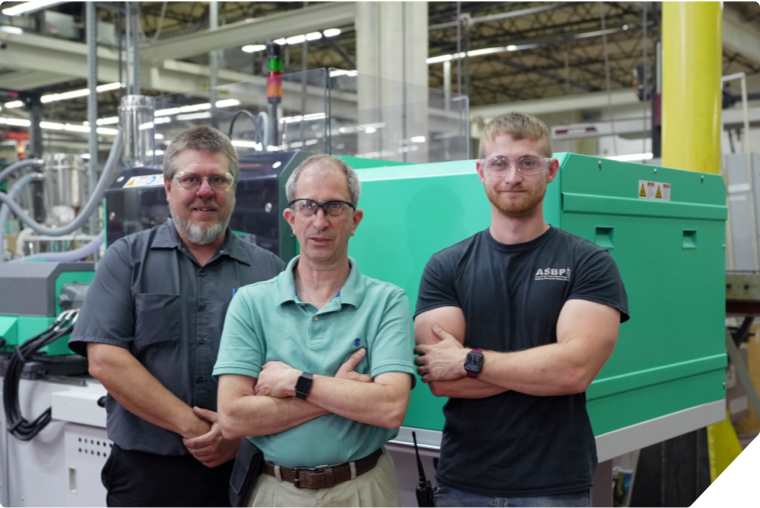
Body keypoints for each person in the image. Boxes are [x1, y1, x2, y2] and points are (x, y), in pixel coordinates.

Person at [413, 112, 629, 507]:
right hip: (465, 481)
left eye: (527, 162)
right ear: (481, 171)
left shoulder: (588, 262)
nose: (512, 176)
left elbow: (574, 371)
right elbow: (442, 380)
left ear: (550, 171)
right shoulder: (446, 266)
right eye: (499, 162)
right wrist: (542, 369)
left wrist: (470, 360)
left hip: (555, 483)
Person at [69, 126, 285, 508]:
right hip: (147, 474)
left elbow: (287, 363)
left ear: (234, 189)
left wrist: (239, 434)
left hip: (245, 470)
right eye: (191, 179)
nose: (206, 191)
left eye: (218, 179)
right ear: (168, 188)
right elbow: (105, 360)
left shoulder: (269, 270)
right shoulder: (126, 259)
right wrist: (197, 428)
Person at [214, 154, 415, 508]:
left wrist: (298, 383)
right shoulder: (250, 303)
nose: (320, 221)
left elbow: (389, 407)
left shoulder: (387, 301)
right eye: (308, 207)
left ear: (355, 220)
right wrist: (340, 393)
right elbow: (233, 417)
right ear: (291, 219)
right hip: (274, 491)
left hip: (362, 490)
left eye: (334, 207)